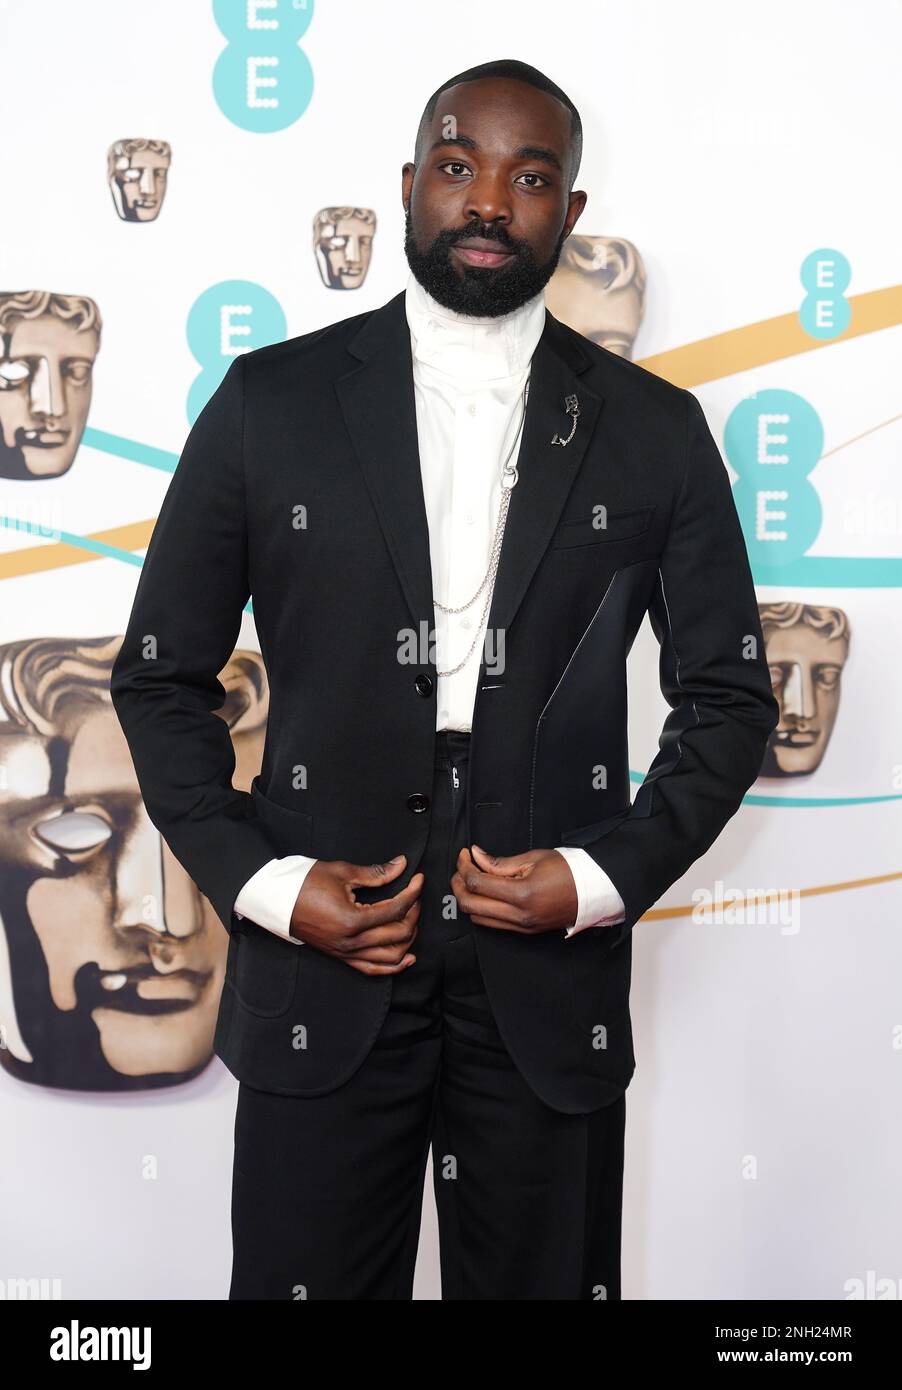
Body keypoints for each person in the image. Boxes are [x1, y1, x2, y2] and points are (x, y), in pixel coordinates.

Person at [110, 58, 780, 1300]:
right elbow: (159, 678)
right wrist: (260, 879)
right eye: (458, 165)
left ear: (569, 216)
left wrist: (598, 876)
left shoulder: (652, 429)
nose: (489, 201)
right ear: (409, 183)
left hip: (543, 952)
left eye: (531, 179)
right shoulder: (271, 402)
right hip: (328, 936)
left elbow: (731, 696)